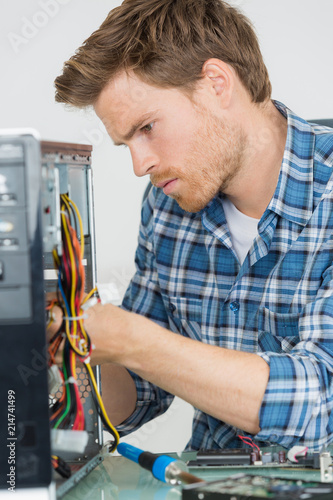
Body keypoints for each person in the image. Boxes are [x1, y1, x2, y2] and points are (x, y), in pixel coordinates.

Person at [53, 0, 333, 451]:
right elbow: (140, 393)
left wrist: (132, 341)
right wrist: (76, 346)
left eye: (147, 127)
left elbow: (321, 402)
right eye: (126, 143)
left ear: (216, 84)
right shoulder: (167, 207)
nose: (140, 165)